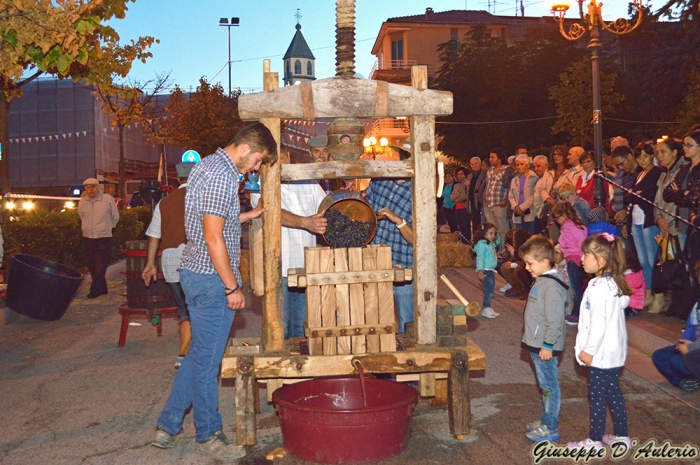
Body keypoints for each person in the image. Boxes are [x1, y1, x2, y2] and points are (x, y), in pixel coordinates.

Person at [151, 123, 277, 461]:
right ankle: (208, 435)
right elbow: (213, 236)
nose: (257, 168)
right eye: (259, 160)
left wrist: (248, 215)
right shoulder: (224, 176)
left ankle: (168, 423)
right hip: (210, 279)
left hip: (193, 272)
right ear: (247, 149)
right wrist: (231, 286)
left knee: (197, 356)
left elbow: (211, 218)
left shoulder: (207, 164)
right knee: (208, 364)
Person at [251, 146, 327, 339]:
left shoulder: (308, 181)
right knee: (279, 328)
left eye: (282, 158)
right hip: (278, 268)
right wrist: (305, 222)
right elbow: (269, 212)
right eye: (272, 161)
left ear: (289, 157)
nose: (279, 165)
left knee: (302, 325)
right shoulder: (260, 184)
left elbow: (328, 207)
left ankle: (302, 365)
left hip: (305, 266)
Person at [567, 233, 633, 453]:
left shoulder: (598, 288)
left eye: (586, 254)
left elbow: (599, 323)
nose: (582, 258)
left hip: (601, 355)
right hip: (613, 354)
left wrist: (589, 350)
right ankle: (622, 436)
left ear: (601, 261)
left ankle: (594, 440)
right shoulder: (613, 284)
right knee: (614, 393)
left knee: (597, 397)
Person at [142, 162, 197, 368]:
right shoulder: (201, 198)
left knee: (184, 308)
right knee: (200, 306)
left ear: (177, 179)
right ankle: (191, 352)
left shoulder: (164, 203)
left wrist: (150, 264)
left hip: (170, 261)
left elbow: (154, 236)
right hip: (196, 260)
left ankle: (183, 353)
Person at [519, 236, 569, 443]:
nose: (527, 267)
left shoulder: (552, 286)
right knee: (545, 384)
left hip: (544, 346)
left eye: (530, 263)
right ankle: (545, 420)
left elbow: (555, 319)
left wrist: (548, 343)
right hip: (538, 344)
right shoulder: (543, 281)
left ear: (544, 262)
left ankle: (550, 427)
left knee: (549, 385)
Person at [364, 145, 414, 333]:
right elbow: (364, 204)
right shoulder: (380, 180)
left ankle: (406, 359)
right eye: (406, 157)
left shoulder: (420, 192)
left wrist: (399, 221)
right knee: (374, 320)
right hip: (374, 260)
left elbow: (417, 240)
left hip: (404, 263)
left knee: (406, 321)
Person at [629, 142, 664, 313]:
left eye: (646, 155)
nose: (643, 160)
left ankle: (659, 295)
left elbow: (648, 195)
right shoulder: (640, 174)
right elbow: (633, 196)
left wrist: (635, 195)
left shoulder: (657, 173)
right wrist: (635, 195)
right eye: (639, 156)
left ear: (652, 156)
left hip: (649, 220)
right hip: (636, 221)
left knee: (653, 259)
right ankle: (648, 292)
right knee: (643, 261)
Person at [78, 178, 119, 298]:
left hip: (103, 236)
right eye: (88, 187)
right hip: (88, 236)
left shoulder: (107, 199)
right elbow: (81, 216)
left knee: (101, 264)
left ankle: (95, 290)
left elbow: (115, 216)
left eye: (93, 186)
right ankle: (102, 288)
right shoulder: (82, 202)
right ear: (85, 189)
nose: (91, 189)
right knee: (92, 264)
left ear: (98, 187)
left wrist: (107, 227)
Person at [552, 201, 588, 325]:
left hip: (575, 259)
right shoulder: (568, 227)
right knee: (575, 288)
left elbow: (582, 243)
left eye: (557, 217)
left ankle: (578, 313)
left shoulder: (573, 227)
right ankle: (575, 312)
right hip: (570, 259)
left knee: (576, 289)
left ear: (564, 215)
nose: (556, 220)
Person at [483, 148, 509, 251]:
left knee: (502, 229)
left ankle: (504, 250)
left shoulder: (506, 169)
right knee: (492, 230)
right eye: (490, 157)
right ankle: (495, 250)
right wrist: (484, 199)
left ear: (500, 158)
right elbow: (487, 185)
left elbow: (510, 186)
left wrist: (506, 200)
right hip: (489, 204)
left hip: (499, 204)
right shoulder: (490, 170)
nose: (490, 159)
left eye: (493, 157)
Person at [472, 223, 500, 319]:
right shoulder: (482, 245)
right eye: (491, 233)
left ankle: (487, 307)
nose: (493, 236)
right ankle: (486, 308)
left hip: (491, 271)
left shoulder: (490, 243)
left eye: (494, 234)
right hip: (486, 271)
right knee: (489, 290)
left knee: (490, 290)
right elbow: (480, 258)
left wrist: (498, 232)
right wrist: (480, 270)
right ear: (483, 233)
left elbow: (498, 241)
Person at [508, 154, 538, 234]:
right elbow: (511, 196)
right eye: (517, 164)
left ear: (527, 165)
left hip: (530, 213)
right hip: (517, 214)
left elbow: (534, 195)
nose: (519, 167)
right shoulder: (514, 179)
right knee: (519, 237)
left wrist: (522, 208)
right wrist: (516, 207)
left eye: (522, 164)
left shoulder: (534, 178)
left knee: (530, 236)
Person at [498, 229, 532, 299]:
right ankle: (516, 288)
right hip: (521, 266)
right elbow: (516, 257)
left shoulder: (529, 247)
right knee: (504, 267)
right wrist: (509, 262)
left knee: (518, 269)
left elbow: (527, 262)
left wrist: (514, 264)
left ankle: (527, 291)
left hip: (529, 272)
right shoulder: (518, 248)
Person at [533, 154, 554, 234]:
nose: (535, 169)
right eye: (534, 167)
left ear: (546, 165)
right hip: (538, 215)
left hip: (547, 214)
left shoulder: (549, 178)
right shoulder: (538, 179)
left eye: (538, 166)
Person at [451, 166, 471, 243]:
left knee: (465, 226)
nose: (460, 176)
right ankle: (463, 241)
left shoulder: (467, 183)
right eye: (458, 174)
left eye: (462, 174)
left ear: (465, 174)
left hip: (464, 207)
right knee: (460, 226)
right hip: (457, 208)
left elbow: (465, 196)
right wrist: (458, 195)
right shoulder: (456, 185)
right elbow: (452, 197)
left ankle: (467, 241)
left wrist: (457, 197)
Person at [623, 252, 645, 318]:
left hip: (631, 305)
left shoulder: (629, 276)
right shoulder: (638, 272)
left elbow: (624, 290)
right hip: (637, 304)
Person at [468, 156, 485, 234]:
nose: (474, 166)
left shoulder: (483, 174)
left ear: (480, 164)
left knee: (480, 223)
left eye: (476, 164)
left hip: (479, 202)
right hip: (472, 203)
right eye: (472, 164)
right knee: (474, 222)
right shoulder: (471, 176)